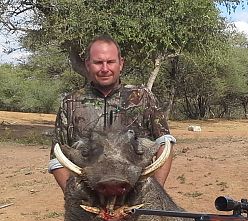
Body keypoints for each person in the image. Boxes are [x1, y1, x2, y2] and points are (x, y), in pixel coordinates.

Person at [48, 34, 176, 191]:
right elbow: (56, 158)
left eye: (110, 62)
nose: (104, 69)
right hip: (89, 198)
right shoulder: (70, 103)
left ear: (121, 64)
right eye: (98, 62)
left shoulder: (142, 96)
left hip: (138, 196)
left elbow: (164, 144)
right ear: (88, 64)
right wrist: (74, 195)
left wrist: (155, 192)